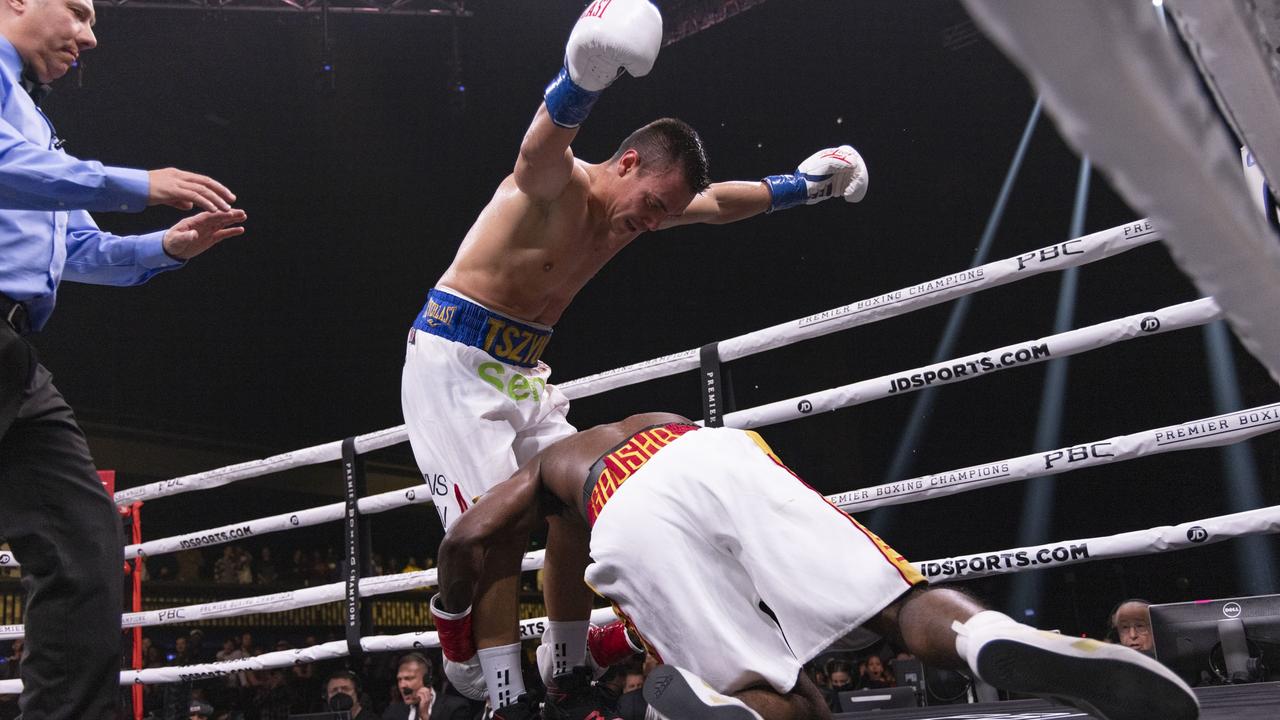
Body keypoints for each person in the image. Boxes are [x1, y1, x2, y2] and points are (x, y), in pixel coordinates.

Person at [407, 1, 867, 714]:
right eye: (651, 203)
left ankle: (562, 665)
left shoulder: (646, 208)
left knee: (578, 502)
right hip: (452, 362)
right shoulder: (558, 189)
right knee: (501, 529)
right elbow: (538, 151)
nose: (652, 222)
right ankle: (501, 693)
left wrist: (806, 187)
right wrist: (583, 73)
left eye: (662, 212)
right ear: (626, 164)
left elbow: (721, 203)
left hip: (523, 372)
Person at [433, 412, 1200, 720]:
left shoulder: (545, 473)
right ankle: (985, 637)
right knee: (897, 603)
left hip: (625, 509)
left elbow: (465, 541)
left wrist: (453, 623)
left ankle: (737, 707)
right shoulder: (631, 422)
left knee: (791, 703)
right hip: (715, 450)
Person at [0, 1, 244, 717]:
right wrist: (139, 182)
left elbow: (78, 249)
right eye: (76, 10)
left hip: (12, 352)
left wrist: (165, 247)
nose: (90, 35)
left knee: (85, 543)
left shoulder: (35, 121)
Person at [381, 653, 470, 720]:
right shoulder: (392, 712)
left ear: (427, 680)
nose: (402, 685)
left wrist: (424, 717)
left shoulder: (455, 708)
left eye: (409, 678)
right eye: (399, 679)